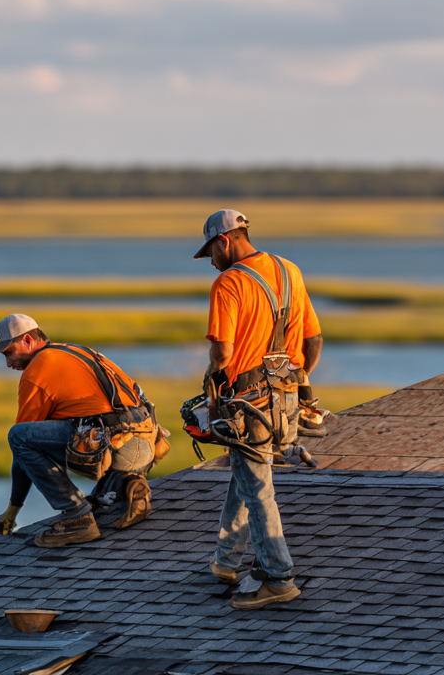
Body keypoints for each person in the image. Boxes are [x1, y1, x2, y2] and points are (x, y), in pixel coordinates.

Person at [195, 209, 323, 610]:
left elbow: (223, 353)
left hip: (248, 403)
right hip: (284, 396)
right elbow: (313, 340)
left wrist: (212, 383)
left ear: (225, 240)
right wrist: (291, 379)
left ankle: (278, 575)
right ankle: (227, 560)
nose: (211, 261)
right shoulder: (289, 271)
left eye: (211, 252)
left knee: (258, 488)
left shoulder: (228, 283)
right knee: (247, 473)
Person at [0, 313, 157, 546]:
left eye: (9, 353)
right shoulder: (76, 350)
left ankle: (77, 517)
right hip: (145, 444)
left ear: (27, 340)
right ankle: (129, 484)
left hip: (113, 445)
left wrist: (12, 510)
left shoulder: (37, 369)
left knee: (18, 436)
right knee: (98, 489)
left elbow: (22, 446)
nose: (8, 363)